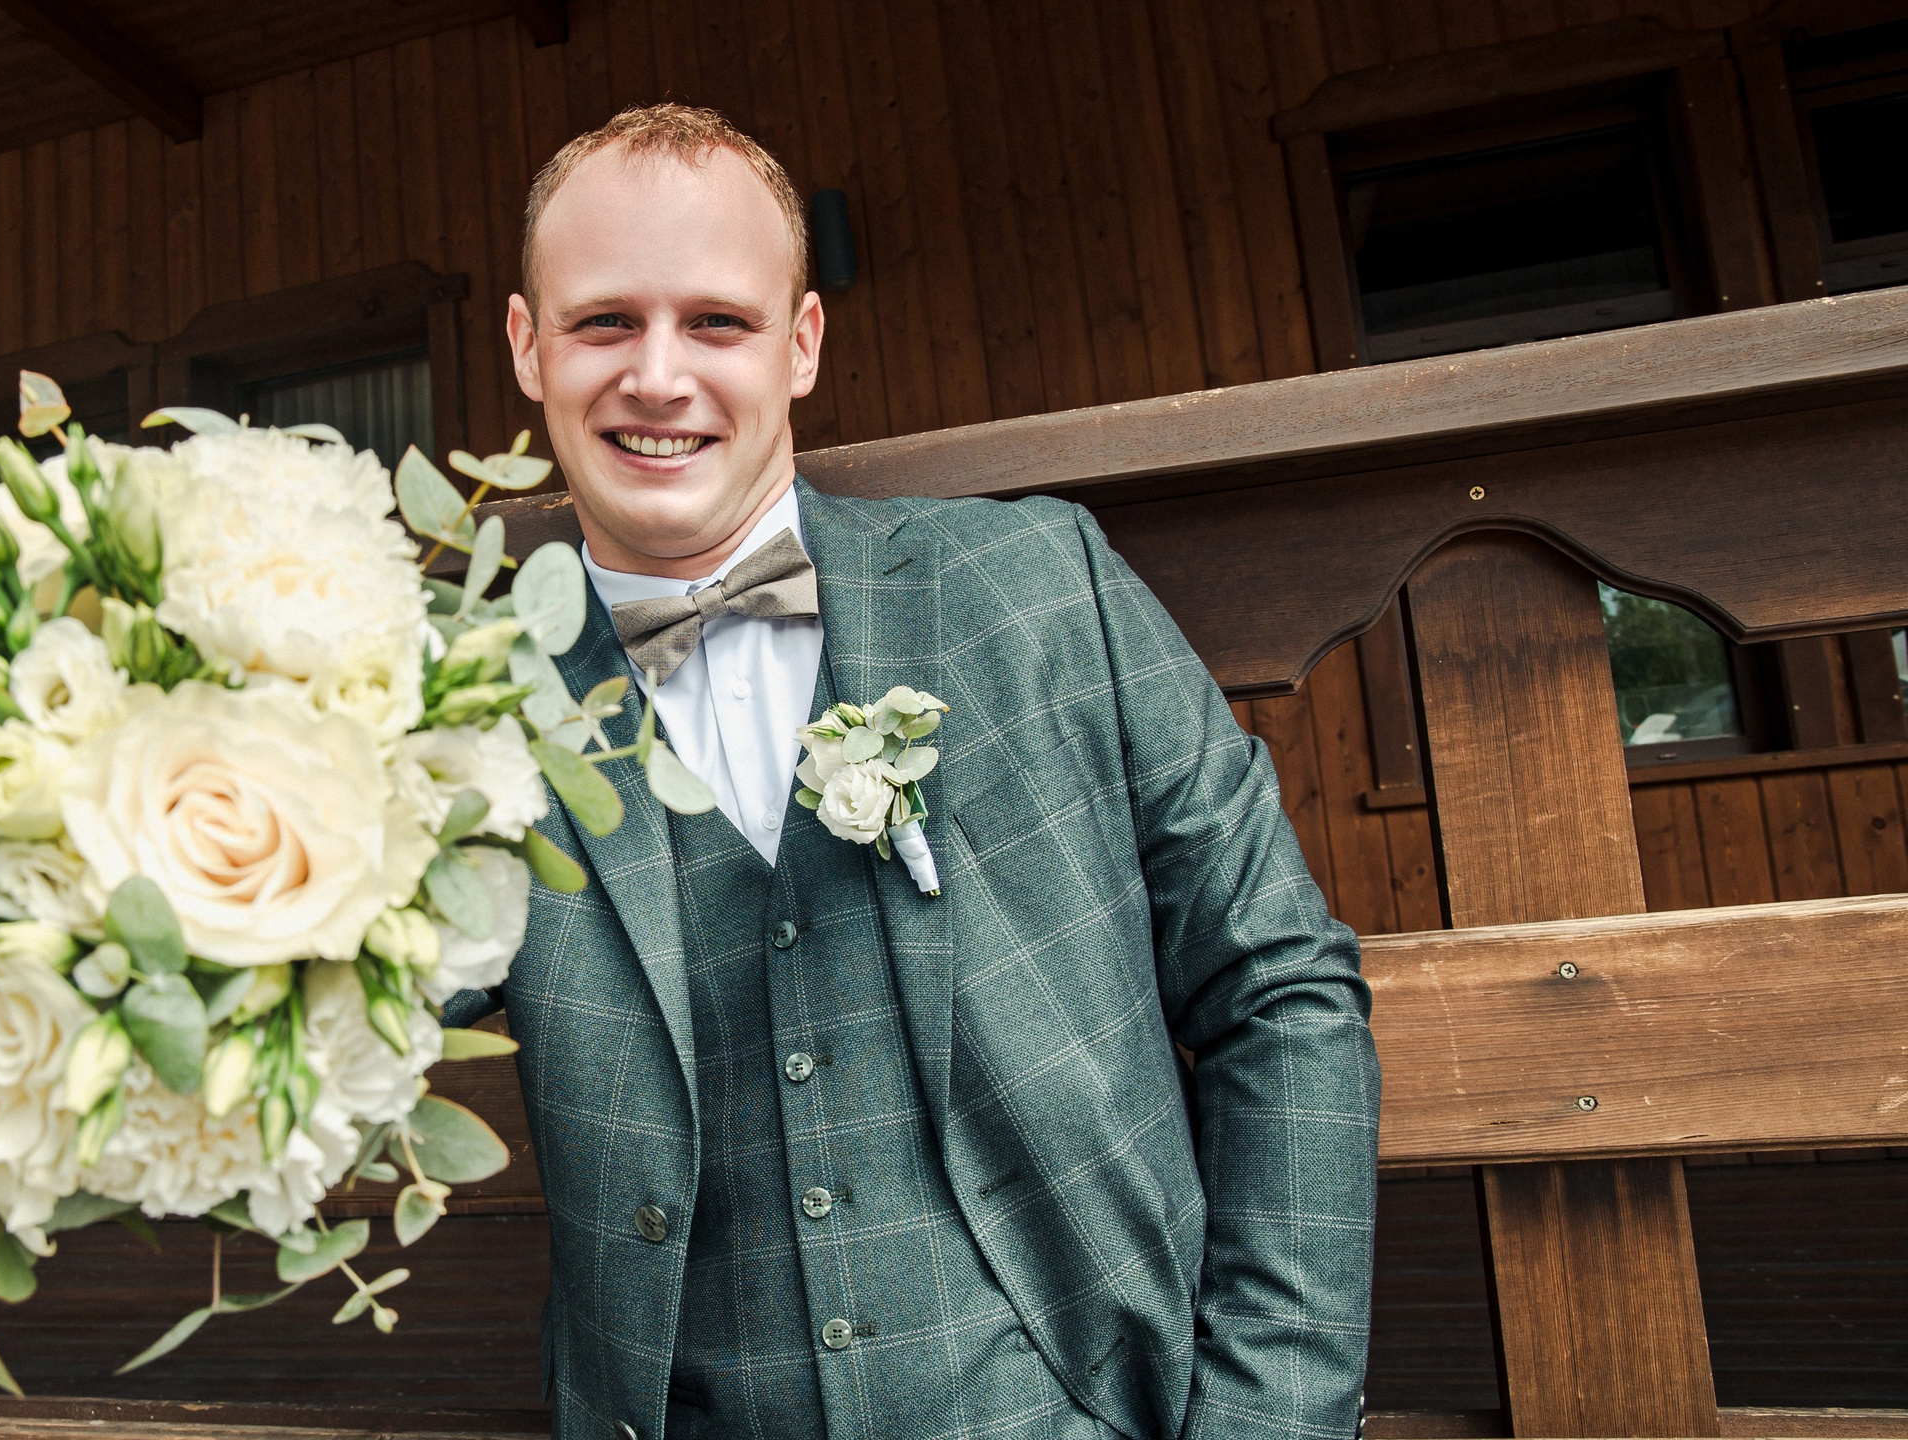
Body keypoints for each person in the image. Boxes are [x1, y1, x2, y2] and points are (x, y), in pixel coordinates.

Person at [444, 103, 1378, 1440]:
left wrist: (1270, 1423)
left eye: (717, 322)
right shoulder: (467, 719)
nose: (657, 376)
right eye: (603, 323)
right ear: (528, 347)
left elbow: (1279, 990)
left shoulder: (1039, 588)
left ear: (801, 343)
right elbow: (317, 1012)